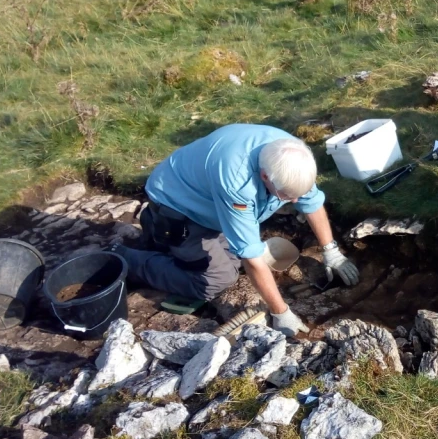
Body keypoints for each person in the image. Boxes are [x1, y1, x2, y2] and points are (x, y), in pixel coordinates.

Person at [113, 124, 359, 337]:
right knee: (217, 280)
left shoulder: (291, 158)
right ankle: (126, 257)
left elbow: (311, 202)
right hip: (179, 204)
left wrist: (331, 251)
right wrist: (280, 312)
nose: (294, 202)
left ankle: (166, 243)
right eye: (286, 196)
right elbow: (251, 258)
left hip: (209, 198)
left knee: (233, 260)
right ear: (264, 176)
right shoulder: (237, 183)